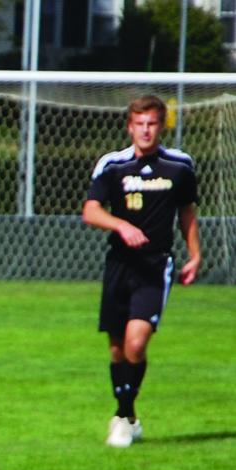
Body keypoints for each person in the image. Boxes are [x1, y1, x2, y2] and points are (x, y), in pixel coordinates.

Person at [82, 94, 201, 448]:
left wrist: (194, 255)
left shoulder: (179, 166)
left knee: (136, 342)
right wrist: (120, 225)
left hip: (155, 265)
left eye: (152, 124)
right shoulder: (113, 165)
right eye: (139, 124)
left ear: (161, 126)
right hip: (119, 265)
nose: (146, 130)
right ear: (129, 126)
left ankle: (120, 418)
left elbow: (187, 213)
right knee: (118, 349)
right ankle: (129, 416)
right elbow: (91, 211)